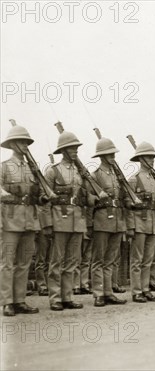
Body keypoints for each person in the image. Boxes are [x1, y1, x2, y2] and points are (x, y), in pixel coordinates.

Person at [0, 123, 42, 316]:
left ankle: (20, 300)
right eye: (22, 142)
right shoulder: (4, 167)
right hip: (10, 220)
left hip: (29, 220)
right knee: (7, 262)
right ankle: (7, 302)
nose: (26, 145)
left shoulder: (32, 169)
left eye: (27, 142)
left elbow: (38, 193)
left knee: (24, 262)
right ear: (13, 144)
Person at [44, 130, 88, 311]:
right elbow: (45, 199)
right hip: (59, 219)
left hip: (77, 220)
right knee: (56, 261)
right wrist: (47, 223)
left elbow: (83, 197)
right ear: (63, 150)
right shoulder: (53, 171)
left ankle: (67, 296)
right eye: (72, 148)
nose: (76, 150)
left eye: (76, 147)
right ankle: (55, 298)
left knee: (72, 261)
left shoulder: (80, 172)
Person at [88, 136, 128, 307]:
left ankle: (108, 292)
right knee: (98, 259)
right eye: (110, 154)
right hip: (102, 219)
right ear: (102, 156)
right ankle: (98, 293)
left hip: (117, 220)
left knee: (110, 259)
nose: (113, 157)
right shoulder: (95, 175)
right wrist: (97, 198)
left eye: (113, 154)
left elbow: (123, 197)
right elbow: (88, 198)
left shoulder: (117, 176)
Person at [126, 141, 155, 303]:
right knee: (137, 259)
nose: (152, 160)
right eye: (149, 157)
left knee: (148, 259)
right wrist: (131, 226)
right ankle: (136, 291)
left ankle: (145, 288)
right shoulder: (133, 180)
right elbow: (128, 204)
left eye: (153, 157)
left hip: (152, 223)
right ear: (141, 159)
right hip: (139, 222)